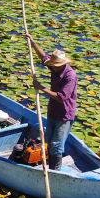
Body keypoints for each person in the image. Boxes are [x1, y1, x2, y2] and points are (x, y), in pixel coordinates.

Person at [26, 35, 77, 169]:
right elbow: (43, 56)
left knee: (56, 146)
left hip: (64, 115)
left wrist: (41, 88)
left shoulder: (70, 76)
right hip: (52, 111)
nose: (52, 67)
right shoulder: (54, 68)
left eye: (55, 66)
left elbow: (62, 97)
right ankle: (49, 166)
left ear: (62, 64)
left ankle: (55, 171)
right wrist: (32, 42)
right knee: (49, 141)